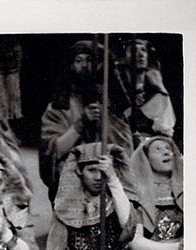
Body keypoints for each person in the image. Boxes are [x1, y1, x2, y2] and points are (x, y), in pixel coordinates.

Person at [39, 40, 133, 202]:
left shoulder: (113, 104)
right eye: (78, 60)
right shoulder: (59, 106)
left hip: (109, 173)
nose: (84, 65)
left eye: (90, 60)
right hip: (73, 176)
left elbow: (125, 147)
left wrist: (104, 120)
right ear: (71, 66)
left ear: (100, 65)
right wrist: (81, 123)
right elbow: (54, 151)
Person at [117, 39, 176, 146]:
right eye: (133, 50)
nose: (140, 55)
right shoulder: (116, 90)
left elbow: (165, 132)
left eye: (143, 50)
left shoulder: (157, 94)